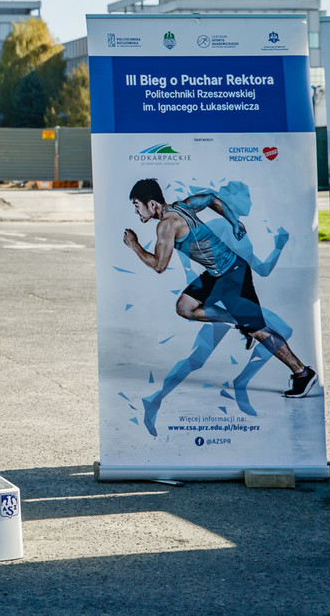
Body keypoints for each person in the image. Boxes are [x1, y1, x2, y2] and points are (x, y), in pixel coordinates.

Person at [124, 178, 318, 438]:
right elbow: (210, 197)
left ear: (151, 204)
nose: (136, 211)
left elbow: (159, 265)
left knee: (259, 330)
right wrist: (234, 221)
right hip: (216, 273)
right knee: (185, 306)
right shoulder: (182, 206)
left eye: (137, 205)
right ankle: (239, 322)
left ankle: (302, 372)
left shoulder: (166, 225)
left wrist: (135, 246)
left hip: (232, 275)